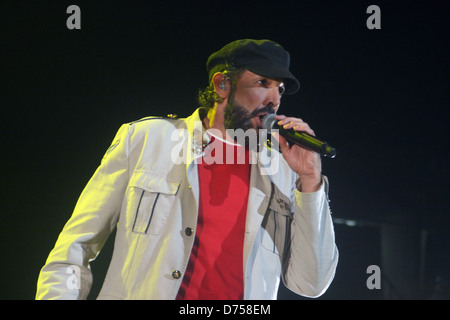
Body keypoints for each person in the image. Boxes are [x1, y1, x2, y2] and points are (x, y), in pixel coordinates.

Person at [36, 39, 338, 300]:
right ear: (222, 84)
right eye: (263, 84)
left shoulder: (283, 170)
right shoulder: (148, 139)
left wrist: (310, 181)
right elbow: (75, 247)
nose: (274, 100)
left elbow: (310, 284)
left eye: (280, 89)